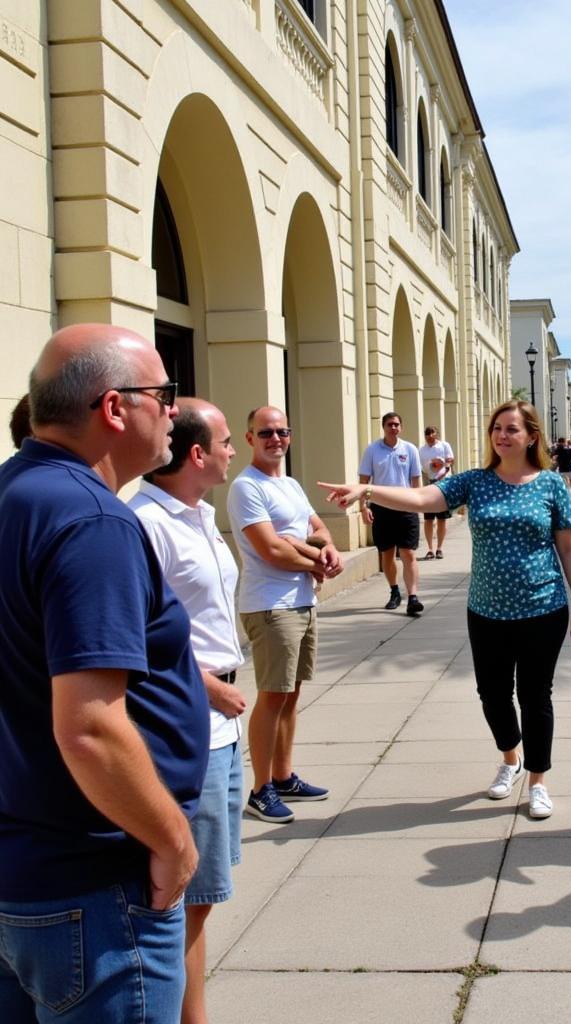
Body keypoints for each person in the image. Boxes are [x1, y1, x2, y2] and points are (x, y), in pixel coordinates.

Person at [0, 324, 208, 1022]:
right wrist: (175, 842)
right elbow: (90, 727)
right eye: (163, 394)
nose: (173, 411)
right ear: (116, 409)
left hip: (29, 873)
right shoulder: (91, 520)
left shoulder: (16, 494)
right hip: (95, 891)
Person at [321, 400, 571, 820]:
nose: (502, 435)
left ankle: (538, 780)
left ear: (531, 436)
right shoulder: (475, 482)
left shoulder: (551, 485)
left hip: (543, 607)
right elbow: (423, 498)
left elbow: (568, 547)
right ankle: (511, 757)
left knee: (535, 696)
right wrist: (367, 490)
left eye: (512, 429)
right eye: (496, 428)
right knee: (493, 695)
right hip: (487, 610)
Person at [128, 399, 246, 1024]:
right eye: (228, 441)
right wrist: (204, 687)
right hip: (186, 727)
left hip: (222, 727)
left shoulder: (199, 515)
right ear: (198, 454)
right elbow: (137, 639)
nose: (237, 450)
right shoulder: (144, 523)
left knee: (200, 896)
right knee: (176, 897)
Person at [227, 406, 342, 825]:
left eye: (282, 431)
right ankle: (260, 790)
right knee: (272, 696)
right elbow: (271, 549)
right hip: (271, 605)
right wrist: (318, 560)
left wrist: (323, 548)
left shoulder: (289, 483)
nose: (275, 438)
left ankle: (284, 775)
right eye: (266, 432)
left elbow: (318, 527)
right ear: (249, 438)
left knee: (291, 695)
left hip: (301, 601)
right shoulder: (246, 487)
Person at [358, 411, 424, 613]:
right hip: (382, 508)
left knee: (408, 553)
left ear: (401, 427)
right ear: (384, 427)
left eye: (396, 424)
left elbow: (416, 480)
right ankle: (394, 591)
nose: (393, 428)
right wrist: (363, 507)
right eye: (389, 425)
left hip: (406, 506)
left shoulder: (410, 449)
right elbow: (363, 482)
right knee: (387, 554)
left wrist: (419, 504)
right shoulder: (372, 450)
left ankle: (413, 597)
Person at [419, 425, 454, 559]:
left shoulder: (444, 445)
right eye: (427, 434)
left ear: (437, 434)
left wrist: (444, 470)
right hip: (429, 484)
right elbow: (421, 468)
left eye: (432, 433)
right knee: (428, 519)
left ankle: (439, 548)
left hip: (443, 485)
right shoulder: (421, 450)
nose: (430, 436)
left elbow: (450, 460)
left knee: (441, 519)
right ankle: (429, 548)